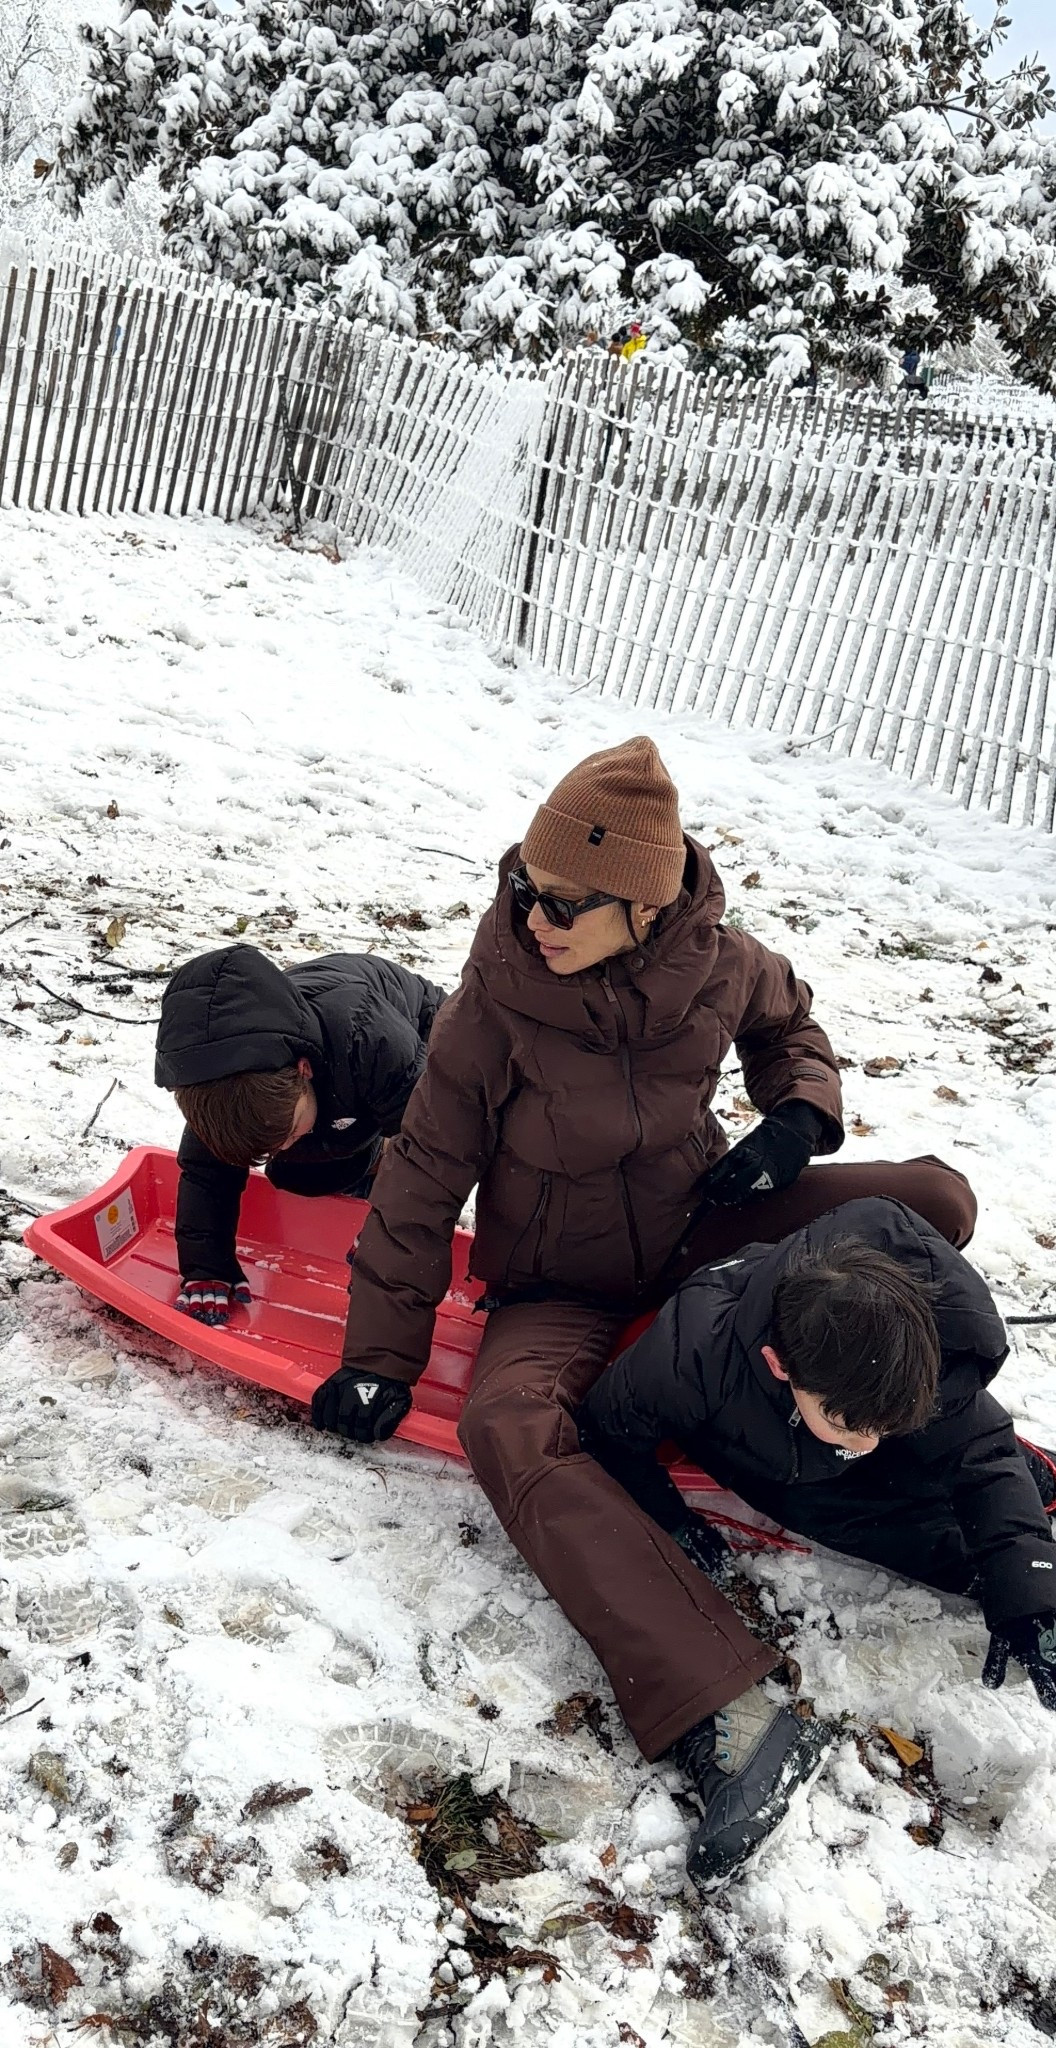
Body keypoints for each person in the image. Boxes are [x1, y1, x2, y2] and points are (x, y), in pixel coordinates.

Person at [311, 736, 977, 1889]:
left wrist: (797, 1119)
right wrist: (380, 1352)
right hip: (560, 1285)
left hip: (696, 1232)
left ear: (647, 902)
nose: (534, 916)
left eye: (565, 900)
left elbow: (791, 1029)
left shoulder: (719, 962)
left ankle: (926, 1421)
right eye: (525, 885)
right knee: (507, 1427)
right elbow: (420, 1173)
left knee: (932, 1197)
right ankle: (730, 1711)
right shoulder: (494, 1009)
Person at [577, 1201, 1056, 1721]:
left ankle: (1031, 1479)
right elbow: (609, 1431)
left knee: (973, 1470)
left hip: (859, 1404)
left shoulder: (918, 1347)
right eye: (850, 1425)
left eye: (880, 1427)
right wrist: (670, 1520)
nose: (868, 1441)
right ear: (779, 1365)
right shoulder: (687, 1360)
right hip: (771, 1451)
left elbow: (978, 1448)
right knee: (877, 1525)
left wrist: (1027, 1579)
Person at [155, 943, 444, 1326]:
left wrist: (391, 1224)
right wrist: (206, 1267)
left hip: (423, 1037)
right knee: (298, 1173)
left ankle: (380, 1152)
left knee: (409, 1142)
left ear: (303, 1070)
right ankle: (366, 1153)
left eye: (289, 1132)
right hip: (336, 1085)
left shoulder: (368, 1038)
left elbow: (438, 1145)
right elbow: (207, 1174)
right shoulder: (218, 1089)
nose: (284, 1147)